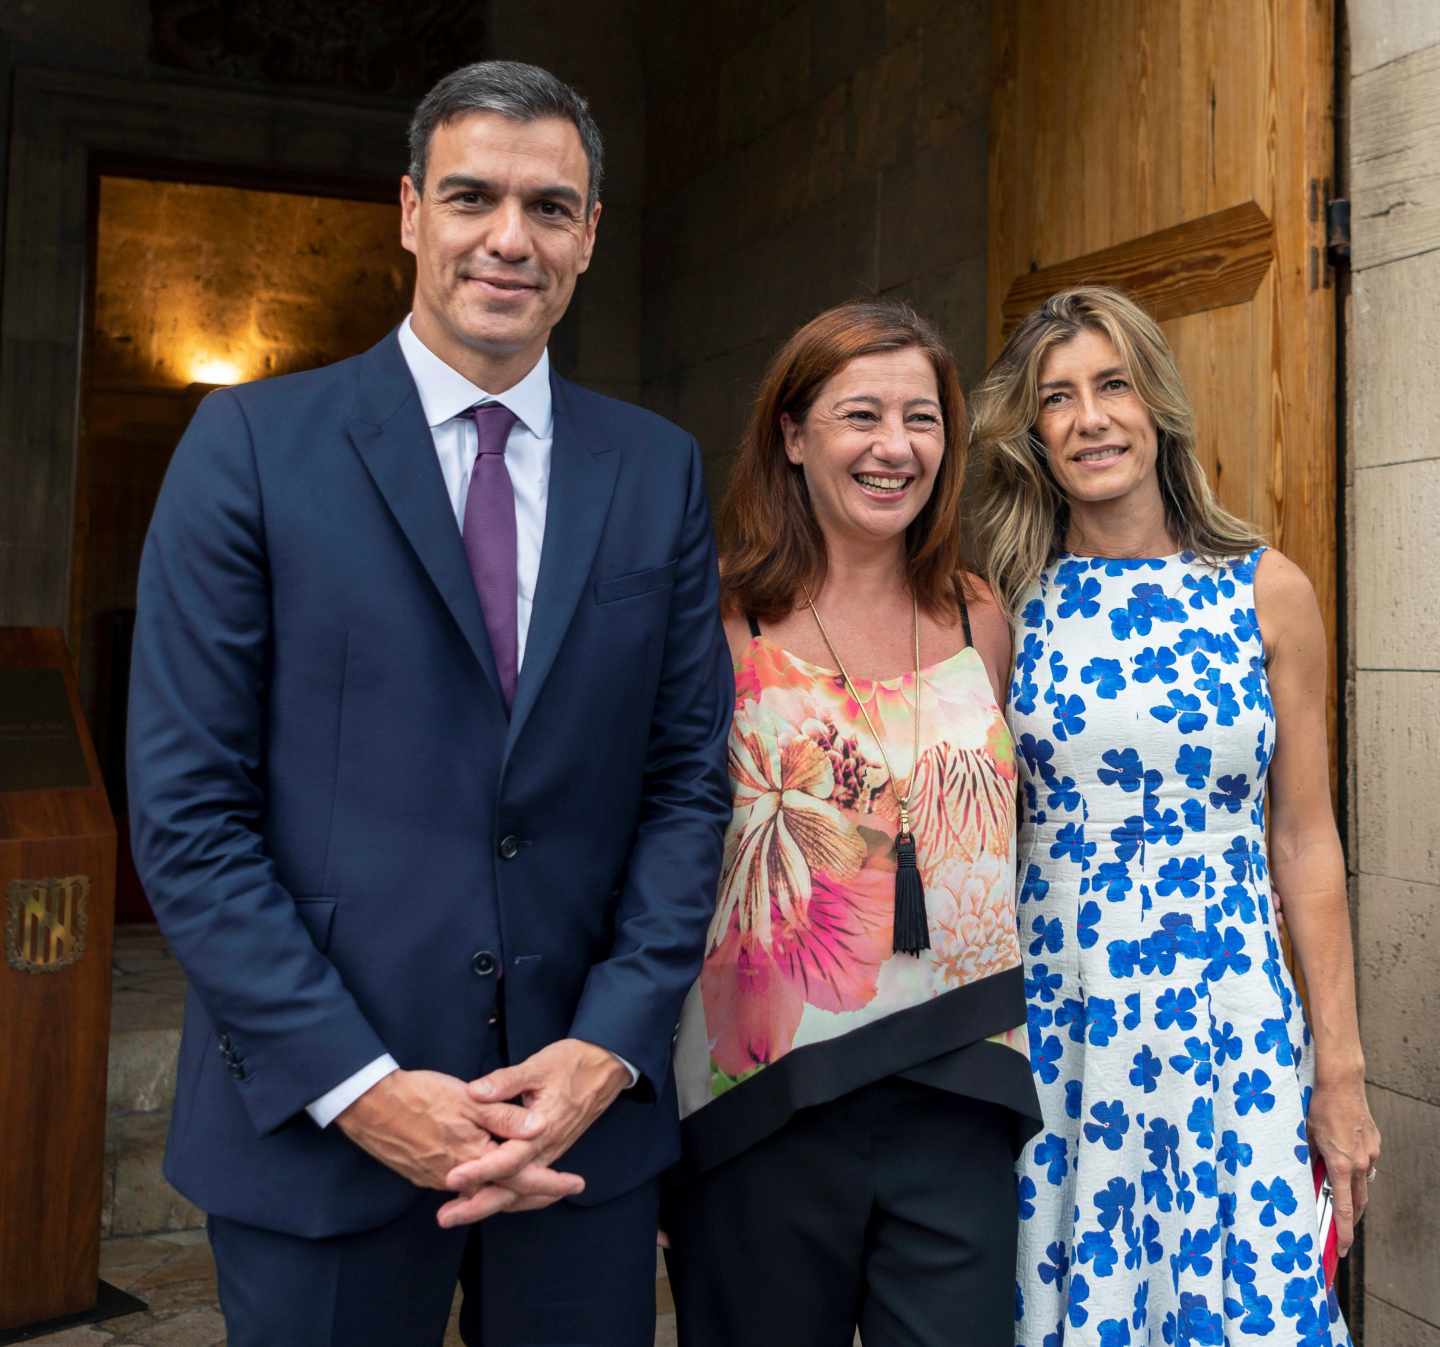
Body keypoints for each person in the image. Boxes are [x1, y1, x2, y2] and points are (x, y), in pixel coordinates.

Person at [126, 60, 732, 1347]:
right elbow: (189, 813)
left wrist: (609, 1048)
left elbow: (687, 784)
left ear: (589, 236)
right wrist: (358, 1086)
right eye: (471, 197)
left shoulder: (657, 471)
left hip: (574, 1140)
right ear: (410, 212)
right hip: (321, 1129)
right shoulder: (250, 450)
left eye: (549, 207)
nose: (509, 239)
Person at [966, 286, 1380, 1347]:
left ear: (1158, 404)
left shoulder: (1264, 591)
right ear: (1035, 433)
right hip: (1065, 1022)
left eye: (1112, 385)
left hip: (1229, 1021)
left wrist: (1338, 1072)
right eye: (1058, 398)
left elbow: (1306, 840)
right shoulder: (1003, 604)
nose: (1090, 417)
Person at [664, 299, 1041, 1347]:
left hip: (961, 1087)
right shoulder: (720, 617)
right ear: (792, 436)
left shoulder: (980, 616)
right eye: (859, 415)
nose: (894, 447)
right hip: (767, 1103)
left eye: (921, 419)